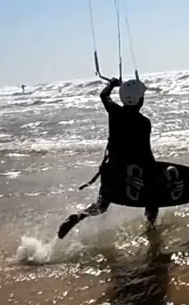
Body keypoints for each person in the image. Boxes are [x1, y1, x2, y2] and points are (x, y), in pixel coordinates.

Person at [57, 76, 158, 239]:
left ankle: (79, 216)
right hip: (134, 172)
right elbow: (146, 153)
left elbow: (104, 96)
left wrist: (112, 84)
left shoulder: (114, 112)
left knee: (101, 206)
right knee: (152, 202)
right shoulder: (144, 122)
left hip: (113, 169)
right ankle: (151, 229)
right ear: (139, 100)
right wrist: (154, 172)